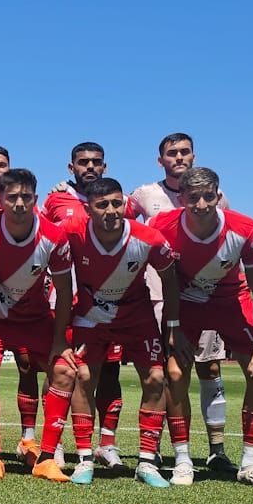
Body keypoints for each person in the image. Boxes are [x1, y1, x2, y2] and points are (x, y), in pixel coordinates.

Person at [149, 167, 253, 489]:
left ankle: (250, 464)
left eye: (209, 196)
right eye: (193, 197)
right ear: (181, 198)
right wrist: (173, 327)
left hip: (231, 301)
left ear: (218, 196)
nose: (202, 204)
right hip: (186, 304)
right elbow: (160, 276)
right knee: (175, 374)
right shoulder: (161, 225)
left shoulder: (246, 229)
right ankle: (182, 461)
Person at [62, 177, 191, 487]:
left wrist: (173, 326)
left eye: (116, 203)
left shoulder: (148, 238)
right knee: (83, 377)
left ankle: (147, 462)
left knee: (156, 378)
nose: (111, 210)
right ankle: (84, 459)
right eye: (102, 205)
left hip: (136, 316)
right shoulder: (72, 231)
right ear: (88, 210)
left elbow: (170, 279)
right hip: (91, 318)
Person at [130, 133, 237, 473]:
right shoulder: (145, 194)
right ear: (160, 160)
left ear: (193, 156)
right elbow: (116, 218)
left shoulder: (217, 196)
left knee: (210, 367)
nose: (179, 157)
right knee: (168, 372)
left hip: (205, 296)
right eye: (171, 153)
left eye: (184, 152)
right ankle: (164, 448)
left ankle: (217, 450)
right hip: (161, 297)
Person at [0, 168, 79, 482]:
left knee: (65, 371)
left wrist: (60, 340)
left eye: (26, 197)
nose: (19, 203)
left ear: (36, 198)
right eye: (12, 197)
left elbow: (64, 291)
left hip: (35, 320)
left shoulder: (53, 236)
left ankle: (46, 458)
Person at [42, 141, 132, 468]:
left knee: (109, 372)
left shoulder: (118, 201)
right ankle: (54, 443)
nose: (90, 167)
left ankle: (106, 445)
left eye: (96, 162)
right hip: (66, 302)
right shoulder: (55, 199)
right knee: (61, 370)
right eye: (83, 162)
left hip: (108, 303)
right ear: (72, 167)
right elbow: (42, 238)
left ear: (105, 166)